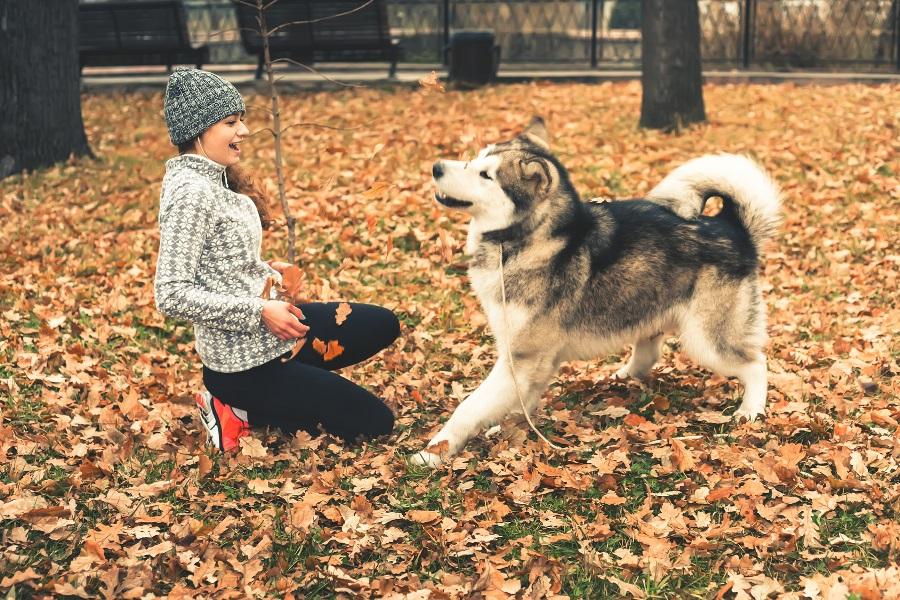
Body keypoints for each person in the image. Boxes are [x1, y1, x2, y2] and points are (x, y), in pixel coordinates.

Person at [154, 67, 398, 451]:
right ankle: (238, 409)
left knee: (382, 324)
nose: (244, 131)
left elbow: (217, 263)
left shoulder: (214, 177)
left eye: (242, 121)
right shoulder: (191, 193)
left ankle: (295, 387)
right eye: (231, 122)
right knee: (375, 424)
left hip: (274, 336)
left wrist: (265, 270)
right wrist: (259, 310)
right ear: (199, 131)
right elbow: (170, 293)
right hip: (243, 367)